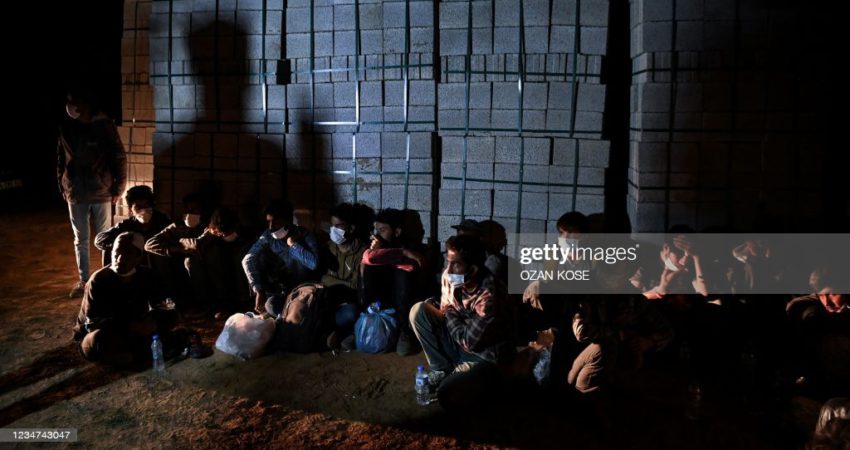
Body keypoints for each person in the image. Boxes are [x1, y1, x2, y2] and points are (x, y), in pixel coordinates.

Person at [409, 235, 515, 409]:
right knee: (419, 311)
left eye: (456, 264)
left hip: (483, 355)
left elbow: (468, 342)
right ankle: (442, 368)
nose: (448, 270)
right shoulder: (451, 276)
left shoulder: (489, 295)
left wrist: (450, 312)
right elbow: (445, 309)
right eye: (447, 261)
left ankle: (486, 381)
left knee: (447, 394)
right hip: (460, 338)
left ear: (473, 269)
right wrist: (450, 312)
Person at [57, 86, 127, 298]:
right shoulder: (67, 127)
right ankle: (84, 281)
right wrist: (63, 185)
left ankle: (106, 278)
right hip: (75, 192)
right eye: (69, 101)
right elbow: (61, 158)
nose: (70, 106)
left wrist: (119, 187)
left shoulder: (103, 126)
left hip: (101, 191)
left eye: (74, 101)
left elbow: (118, 157)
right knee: (80, 239)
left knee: (105, 238)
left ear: (85, 104)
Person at [73, 232, 169, 365]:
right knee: (98, 339)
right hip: (107, 332)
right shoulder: (98, 280)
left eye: (127, 254)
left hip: (135, 329)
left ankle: (130, 354)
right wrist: (132, 326)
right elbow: (93, 323)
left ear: (139, 257)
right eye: (117, 252)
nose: (119, 258)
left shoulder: (146, 275)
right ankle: (131, 354)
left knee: (169, 321)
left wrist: (153, 320)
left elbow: (161, 305)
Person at [360, 208, 428, 355]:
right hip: (382, 302)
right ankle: (368, 321)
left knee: (402, 274)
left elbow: (412, 265)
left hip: (403, 304)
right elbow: (367, 259)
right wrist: (398, 253)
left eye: (382, 230)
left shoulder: (412, 248)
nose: (377, 235)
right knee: (369, 268)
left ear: (397, 232)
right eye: (376, 230)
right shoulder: (379, 247)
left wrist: (400, 253)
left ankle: (405, 331)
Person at [241, 199, 321, 316]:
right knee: (271, 305)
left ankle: (289, 316)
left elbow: (314, 264)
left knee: (303, 308)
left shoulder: (304, 235)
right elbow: (248, 259)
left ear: (288, 221)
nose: (271, 227)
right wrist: (258, 290)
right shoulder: (267, 236)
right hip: (281, 291)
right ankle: (285, 315)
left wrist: (293, 245)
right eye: (269, 222)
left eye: (275, 222)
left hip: (303, 291)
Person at [322, 203, 368, 350]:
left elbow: (356, 285)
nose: (333, 230)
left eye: (338, 226)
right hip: (329, 303)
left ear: (351, 228)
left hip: (347, 305)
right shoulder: (328, 247)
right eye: (332, 225)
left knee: (351, 313)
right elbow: (322, 279)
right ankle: (335, 333)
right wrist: (344, 283)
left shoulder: (362, 251)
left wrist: (333, 282)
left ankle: (339, 333)